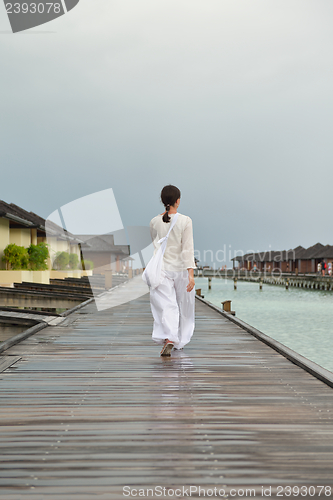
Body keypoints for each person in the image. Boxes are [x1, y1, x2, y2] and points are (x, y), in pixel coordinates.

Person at [148, 185, 196, 356]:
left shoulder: (154, 222)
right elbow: (187, 248)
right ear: (178, 201)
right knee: (184, 306)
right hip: (181, 269)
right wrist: (191, 275)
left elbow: (156, 246)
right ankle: (180, 341)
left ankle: (169, 336)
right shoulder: (186, 220)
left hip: (162, 270)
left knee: (167, 305)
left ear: (163, 201)